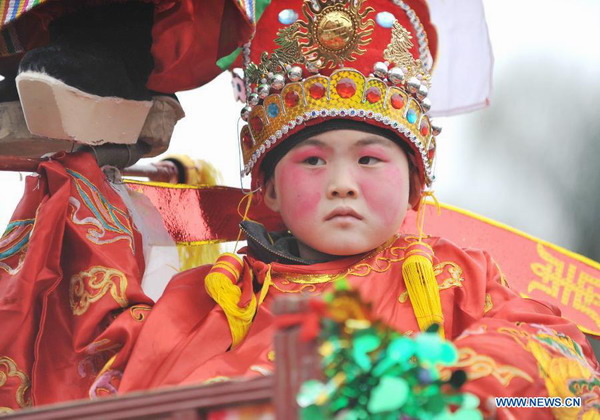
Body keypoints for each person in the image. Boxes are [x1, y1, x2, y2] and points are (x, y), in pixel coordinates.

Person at [0, 0, 598, 418]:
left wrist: (442, 395)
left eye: (370, 160)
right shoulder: (214, 297)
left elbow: (567, 392)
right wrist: (82, 183)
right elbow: (115, 376)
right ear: (271, 189)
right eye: (312, 161)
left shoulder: (458, 282)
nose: (342, 183)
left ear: (417, 181)